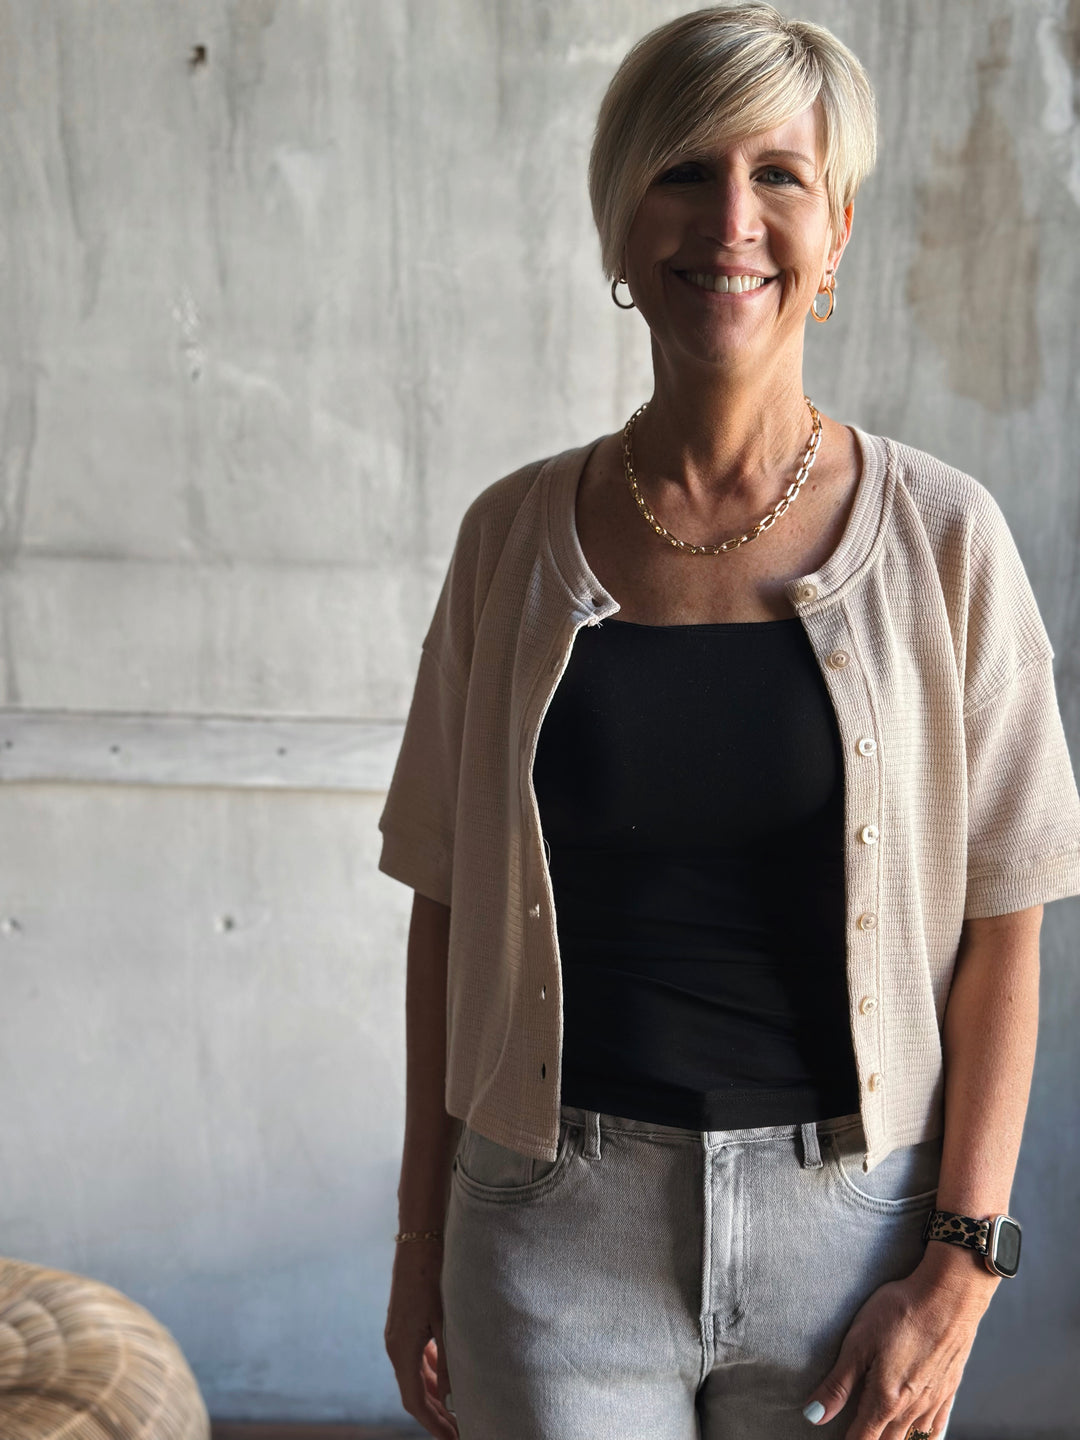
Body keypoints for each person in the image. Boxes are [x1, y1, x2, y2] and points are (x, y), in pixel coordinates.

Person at [379, 6, 1080, 1439]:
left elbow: (1011, 916)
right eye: (684, 169)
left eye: (780, 175)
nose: (731, 219)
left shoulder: (945, 538)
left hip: (855, 1234)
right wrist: (416, 1242)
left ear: (834, 231)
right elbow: (445, 903)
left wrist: (962, 1264)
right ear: (622, 220)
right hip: (544, 1233)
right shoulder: (510, 539)